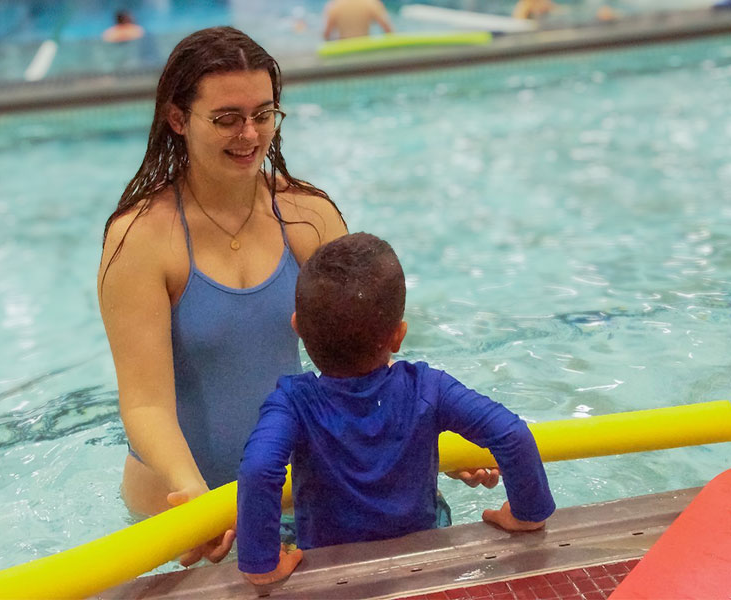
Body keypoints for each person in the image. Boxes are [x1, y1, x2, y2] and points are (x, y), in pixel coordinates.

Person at [97, 27, 348, 566]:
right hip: (173, 510)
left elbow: (363, 357)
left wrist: (419, 433)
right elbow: (145, 403)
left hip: (285, 496)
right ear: (178, 119)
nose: (250, 134)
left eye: (263, 114)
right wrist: (198, 502)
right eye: (227, 118)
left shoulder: (307, 216)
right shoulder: (142, 239)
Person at [236, 233, 556, 584]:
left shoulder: (293, 402)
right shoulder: (427, 388)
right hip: (421, 554)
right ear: (399, 336)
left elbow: (258, 469)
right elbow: (511, 433)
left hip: (328, 561)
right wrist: (528, 512)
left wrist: (261, 563)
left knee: (284, 524)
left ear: (297, 327)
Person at [323, 0, 393, 40]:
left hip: (344, 50)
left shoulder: (334, 5)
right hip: (364, 48)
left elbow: (326, 35)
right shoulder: (371, 3)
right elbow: (388, 30)